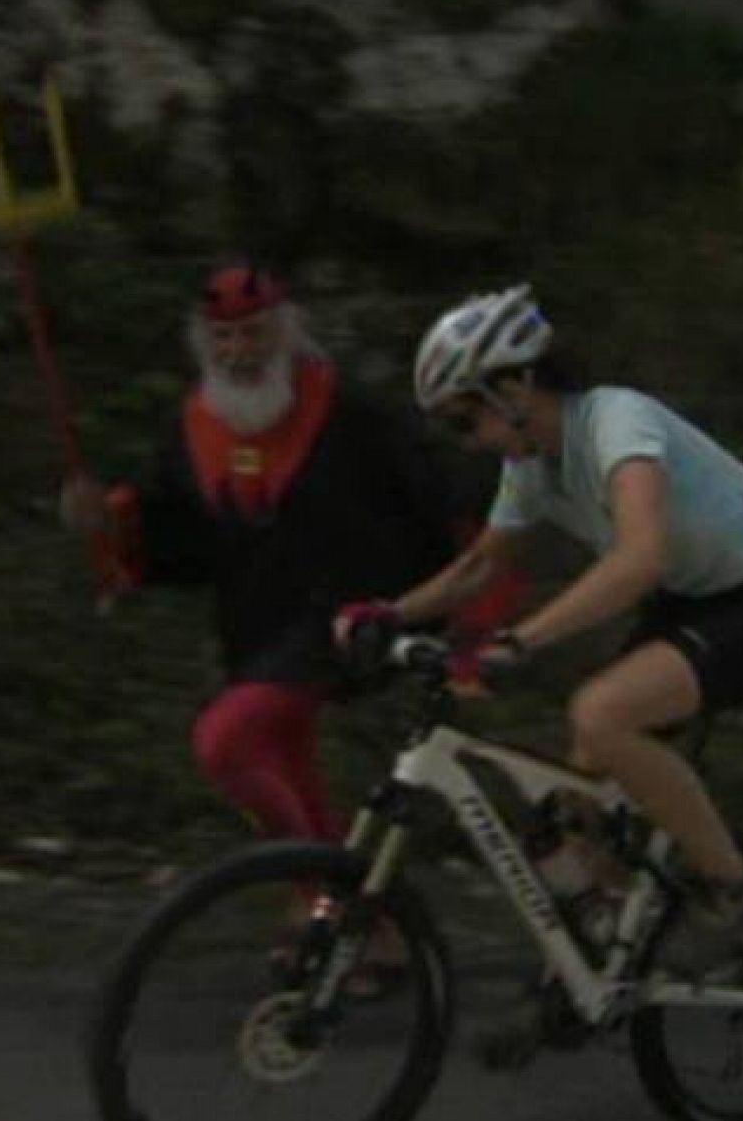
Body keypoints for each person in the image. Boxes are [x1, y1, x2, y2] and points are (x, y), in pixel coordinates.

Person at [336, 283, 743, 990]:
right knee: (577, 796)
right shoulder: (531, 465)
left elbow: (638, 557)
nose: (464, 439)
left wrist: (521, 641)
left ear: (516, 385)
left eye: (466, 418)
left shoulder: (615, 422)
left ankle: (732, 893)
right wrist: (390, 614)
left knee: (601, 711)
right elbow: (480, 564)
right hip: (691, 603)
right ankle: (599, 960)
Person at [61, 262, 522, 851]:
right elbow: (176, 529)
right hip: (256, 626)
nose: (237, 352)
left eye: (253, 333)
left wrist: (476, 608)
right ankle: (344, 919)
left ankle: (325, 894)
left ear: (283, 334)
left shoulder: (347, 411)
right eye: (223, 338)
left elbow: (440, 492)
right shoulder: (192, 427)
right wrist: (112, 519)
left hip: (351, 617)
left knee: (224, 743)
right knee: (281, 761)